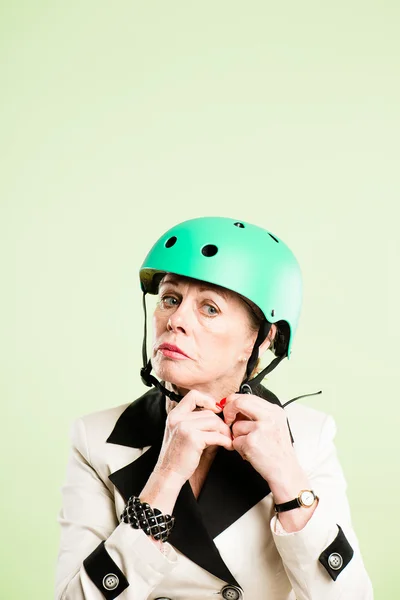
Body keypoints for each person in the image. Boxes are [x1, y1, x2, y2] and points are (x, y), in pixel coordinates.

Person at [55, 216, 373, 600]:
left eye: (209, 308)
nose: (175, 320)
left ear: (259, 339)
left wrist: (288, 479)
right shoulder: (95, 438)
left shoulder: (308, 437)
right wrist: (165, 477)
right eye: (170, 299)